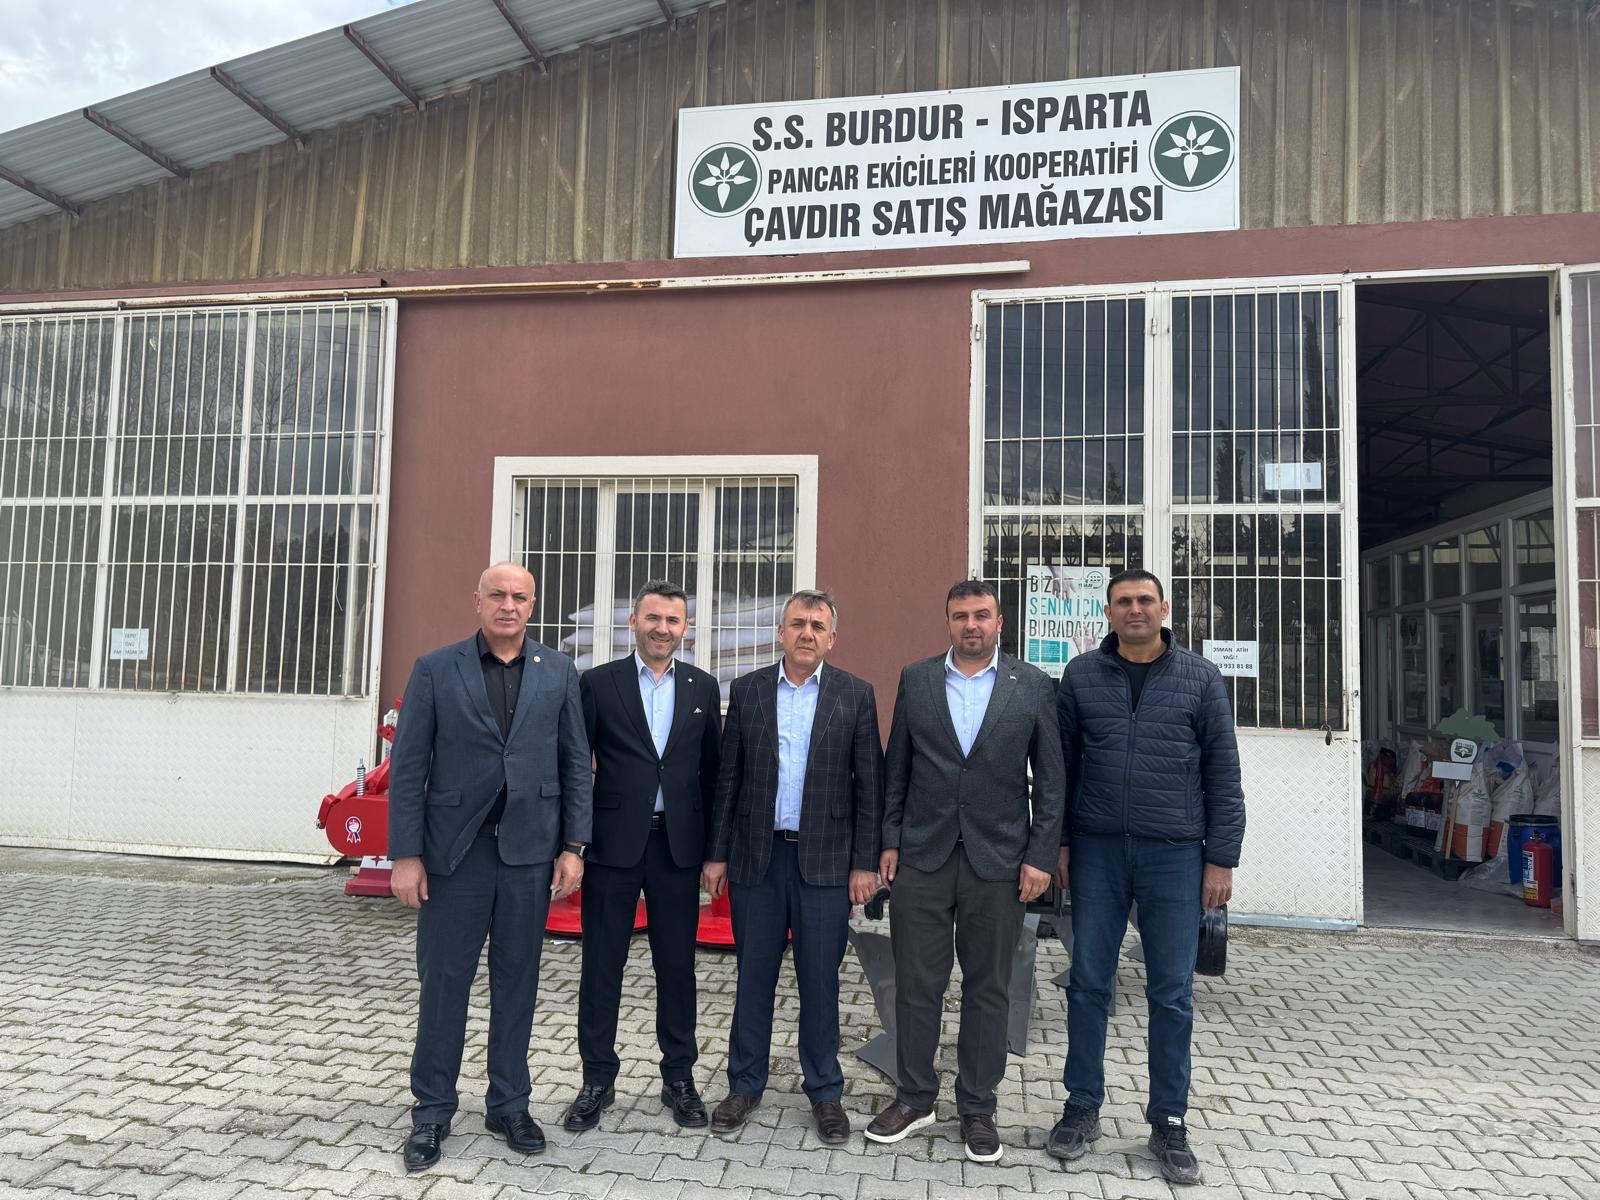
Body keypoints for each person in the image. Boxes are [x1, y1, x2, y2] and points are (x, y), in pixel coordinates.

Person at [387, 562, 592, 1172]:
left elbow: (576, 762)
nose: (508, 605)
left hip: (530, 855)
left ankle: (509, 1105)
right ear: (476, 600)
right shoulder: (435, 668)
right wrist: (406, 855)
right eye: (497, 594)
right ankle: (432, 1111)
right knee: (444, 985)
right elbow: (408, 767)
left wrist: (574, 846)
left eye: (519, 596)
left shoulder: (558, 671)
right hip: (456, 856)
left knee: (517, 983)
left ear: (532, 605)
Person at [1048, 568, 1244, 1187]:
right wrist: (1059, 843)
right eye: (1123, 601)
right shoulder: (1081, 676)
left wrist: (1221, 858)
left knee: (1172, 992)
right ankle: (1082, 1107)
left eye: (1145, 600)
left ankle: (1169, 1121)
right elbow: (1061, 769)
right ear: (1107, 613)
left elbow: (1223, 774)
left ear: (1163, 609)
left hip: (1175, 856)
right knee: (1088, 983)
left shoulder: (1200, 679)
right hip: (1097, 852)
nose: (1135, 609)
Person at [867, 579, 1064, 1164]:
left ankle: (978, 1106)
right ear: (948, 622)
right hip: (922, 857)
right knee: (917, 984)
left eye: (982, 615)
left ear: (999, 621)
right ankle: (914, 1097)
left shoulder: (1032, 685)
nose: (971, 625)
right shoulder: (918, 679)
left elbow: (1051, 780)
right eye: (960, 616)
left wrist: (1040, 856)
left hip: (1000, 862)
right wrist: (890, 840)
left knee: (989, 987)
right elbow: (897, 767)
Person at [702, 589, 883, 1144]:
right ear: (780, 633)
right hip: (757, 858)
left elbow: (869, 786)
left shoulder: (856, 694)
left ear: (832, 638)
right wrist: (717, 853)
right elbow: (729, 779)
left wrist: (864, 864)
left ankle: (825, 1091)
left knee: (820, 982)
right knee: (753, 977)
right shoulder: (748, 690)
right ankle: (744, 1085)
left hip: (826, 864)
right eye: (797, 623)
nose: (807, 633)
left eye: (817, 625)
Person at [563, 580, 723, 1133]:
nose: (662, 629)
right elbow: (576, 766)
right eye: (653, 618)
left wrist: (715, 853)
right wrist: (573, 844)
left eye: (673, 620)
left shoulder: (703, 687)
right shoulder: (598, 683)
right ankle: (597, 1080)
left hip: (678, 848)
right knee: (601, 965)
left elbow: (712, 775)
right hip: (612, 846)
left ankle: (679, 1077)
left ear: (685, 628)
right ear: (633, 622)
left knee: (676, 967)